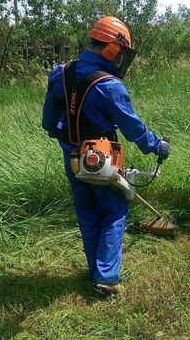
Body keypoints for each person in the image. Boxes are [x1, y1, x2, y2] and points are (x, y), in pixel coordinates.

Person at [41, 16, 171, 295]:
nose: (120, 59)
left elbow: (48, 123)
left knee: (87, 213)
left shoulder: (59, 73)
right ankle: (106, 278)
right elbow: (133, 128)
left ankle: (95, 271)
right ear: (111, 49)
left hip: (72, 158)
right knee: (113, 213)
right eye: (120, 53)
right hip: (103, 160)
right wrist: (157, 146)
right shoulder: (110, 86)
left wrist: (68, 140)